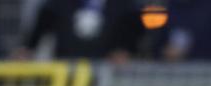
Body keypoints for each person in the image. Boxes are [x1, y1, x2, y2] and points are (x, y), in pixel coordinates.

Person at [12, 0, 143, 61]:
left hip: (106, 70)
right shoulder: (59, 3)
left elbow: (133, 28)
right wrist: (28, 47)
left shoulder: (124, 5)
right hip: (66, 67)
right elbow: (43, 22)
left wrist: (125, 50)